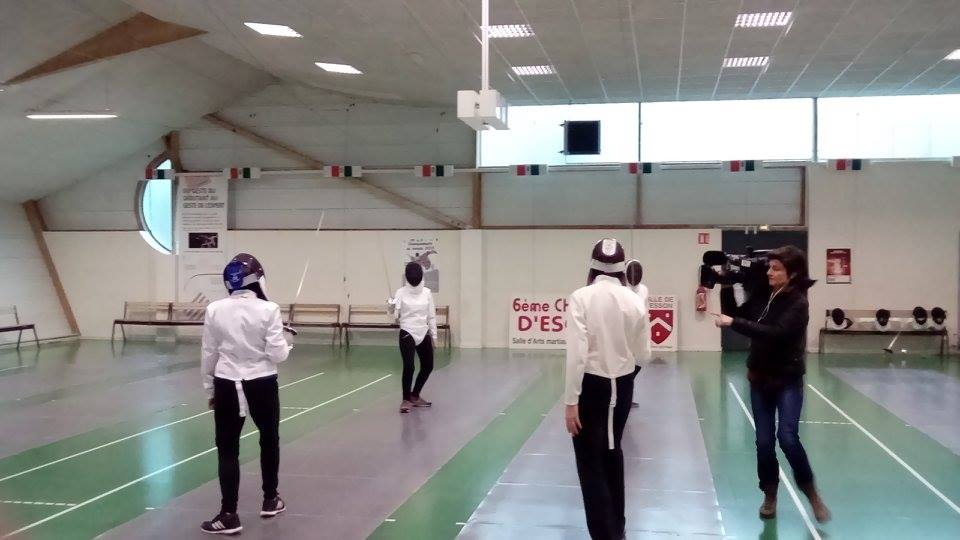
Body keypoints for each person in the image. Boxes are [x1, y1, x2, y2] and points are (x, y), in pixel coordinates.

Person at [712, 245, 831, 523]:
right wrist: (729, 283)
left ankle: (811, 492)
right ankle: (770, 493)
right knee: (763, 442)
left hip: (787, 380)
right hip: (760, 378)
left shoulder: (799, 303)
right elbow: (737, 313)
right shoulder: (765, 294)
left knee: (787, 438)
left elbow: (775, 334)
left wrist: (734, 323)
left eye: (776, 269)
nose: (769, 272)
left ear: (793, 274)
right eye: (769, 267)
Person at [200, 253, 292, 535]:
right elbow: (277, 354)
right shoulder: (269, 309)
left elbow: (209, 352)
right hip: (262, 382)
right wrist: (288, 341)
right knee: (269, 439)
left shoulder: (214, 309)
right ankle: (270, 499)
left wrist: (210, 388)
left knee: (227, 449)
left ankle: (229, 514)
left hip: (227, 382)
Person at [565, 239, 649, 540]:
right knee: (613, 453)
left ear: (592, 264)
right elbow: (644, 354)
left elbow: (577, 353)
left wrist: (571, 401)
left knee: (590, 464)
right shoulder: (635, 300)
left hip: (591, 386)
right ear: (622, 268)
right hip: (623, 386)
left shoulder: (580, 297)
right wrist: (624, 374)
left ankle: (605, 534)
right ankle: (618, 526)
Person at [388, 262, 438, 414]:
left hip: (423, 332)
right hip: (407, 332)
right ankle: (406, 399)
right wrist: (391, 307)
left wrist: (434, 335)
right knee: (409, 366)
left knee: (428, 366)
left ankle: (415, 395)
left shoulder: (427, 293)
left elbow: (431, 316)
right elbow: (395, 317)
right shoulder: (400, 292)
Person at [625, 259, 652, 408]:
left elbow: (645, 310)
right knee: (625, 365)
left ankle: (626, 391)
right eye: (632, 272)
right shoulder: (622, 289)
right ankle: (624, 397)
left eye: (637, 272)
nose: (635, 275)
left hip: (641, 331)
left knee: (641, 360)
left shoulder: (644, 289)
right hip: (625, 332)